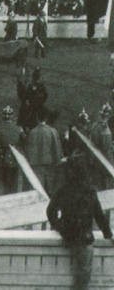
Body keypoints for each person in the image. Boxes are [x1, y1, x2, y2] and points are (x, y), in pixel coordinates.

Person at [46, 157, 113, 290]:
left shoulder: (63, 189)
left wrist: (60, 227)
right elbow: (99, 215)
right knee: (83, 277)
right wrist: (108, 234)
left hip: (69, 236)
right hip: (84, 238)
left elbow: (50, 211)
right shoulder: (89, 190)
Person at [27, 111, 64, 194]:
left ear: (37, 119)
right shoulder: (52, 131)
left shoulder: (32, 132)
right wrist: (58, 162)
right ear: (46, 119)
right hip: (49, 164)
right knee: (50, 190)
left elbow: (28, 149)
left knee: (39, 190)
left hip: (36, 164)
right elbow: (57, 148)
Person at [0, 105, 24, 193]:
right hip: (15, 158)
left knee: (5, 185)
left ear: (3, 115)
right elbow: (25, 142)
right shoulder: (18, 128)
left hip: (3, 159)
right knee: (14, 184)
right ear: (12, 116)